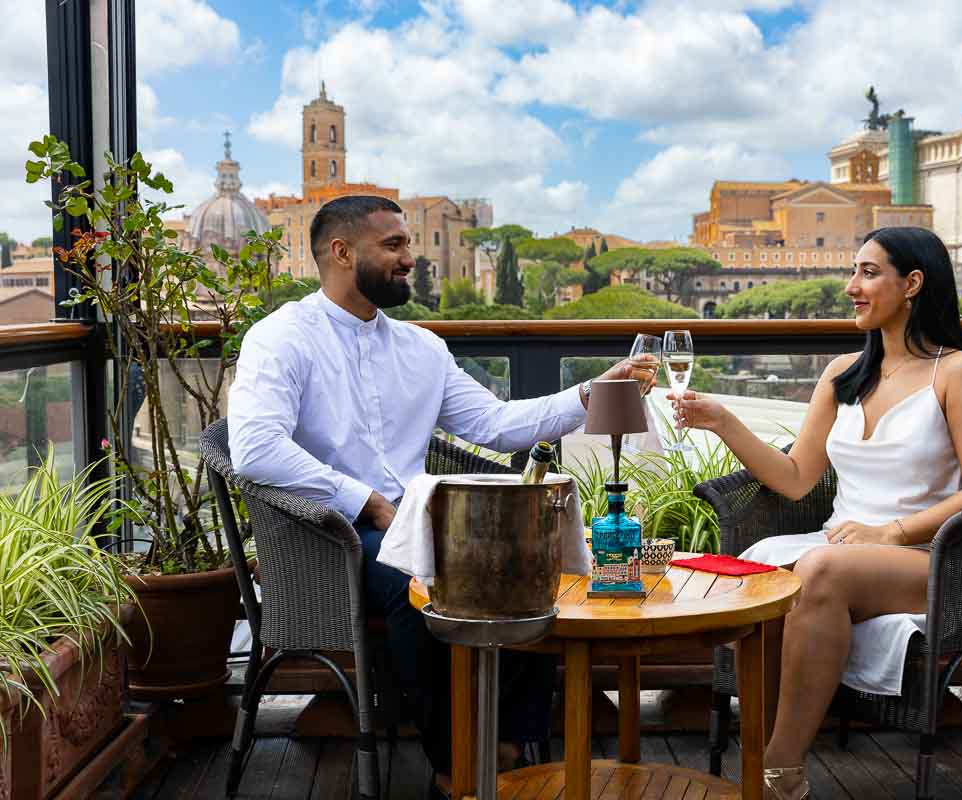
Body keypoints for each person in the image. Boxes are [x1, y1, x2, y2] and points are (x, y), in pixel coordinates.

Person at [227, 195, 653, 790]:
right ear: (343, 253)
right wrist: (367, 502)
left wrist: (590, 392)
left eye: (408, 242)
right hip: (328, 537)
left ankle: (509, 747)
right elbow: (255, 449)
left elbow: (495, 425)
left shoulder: (421, 348)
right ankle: (455, 763)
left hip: (415, 523)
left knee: (530, 560)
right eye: (394, 245)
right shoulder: (280, 339)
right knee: (420, 583)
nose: (410, 256)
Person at [669, 227, 962, 800]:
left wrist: (890, 532)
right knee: (768, 580)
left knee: (820, 569)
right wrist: (722, 421)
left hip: (931, 557)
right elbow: (796, 479)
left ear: (913, 284)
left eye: (868, 273)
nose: (851, 286)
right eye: (853, 271)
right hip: (844, 548)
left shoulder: (959, 373)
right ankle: (761, 760)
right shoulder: (843, 373)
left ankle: (778, 770)